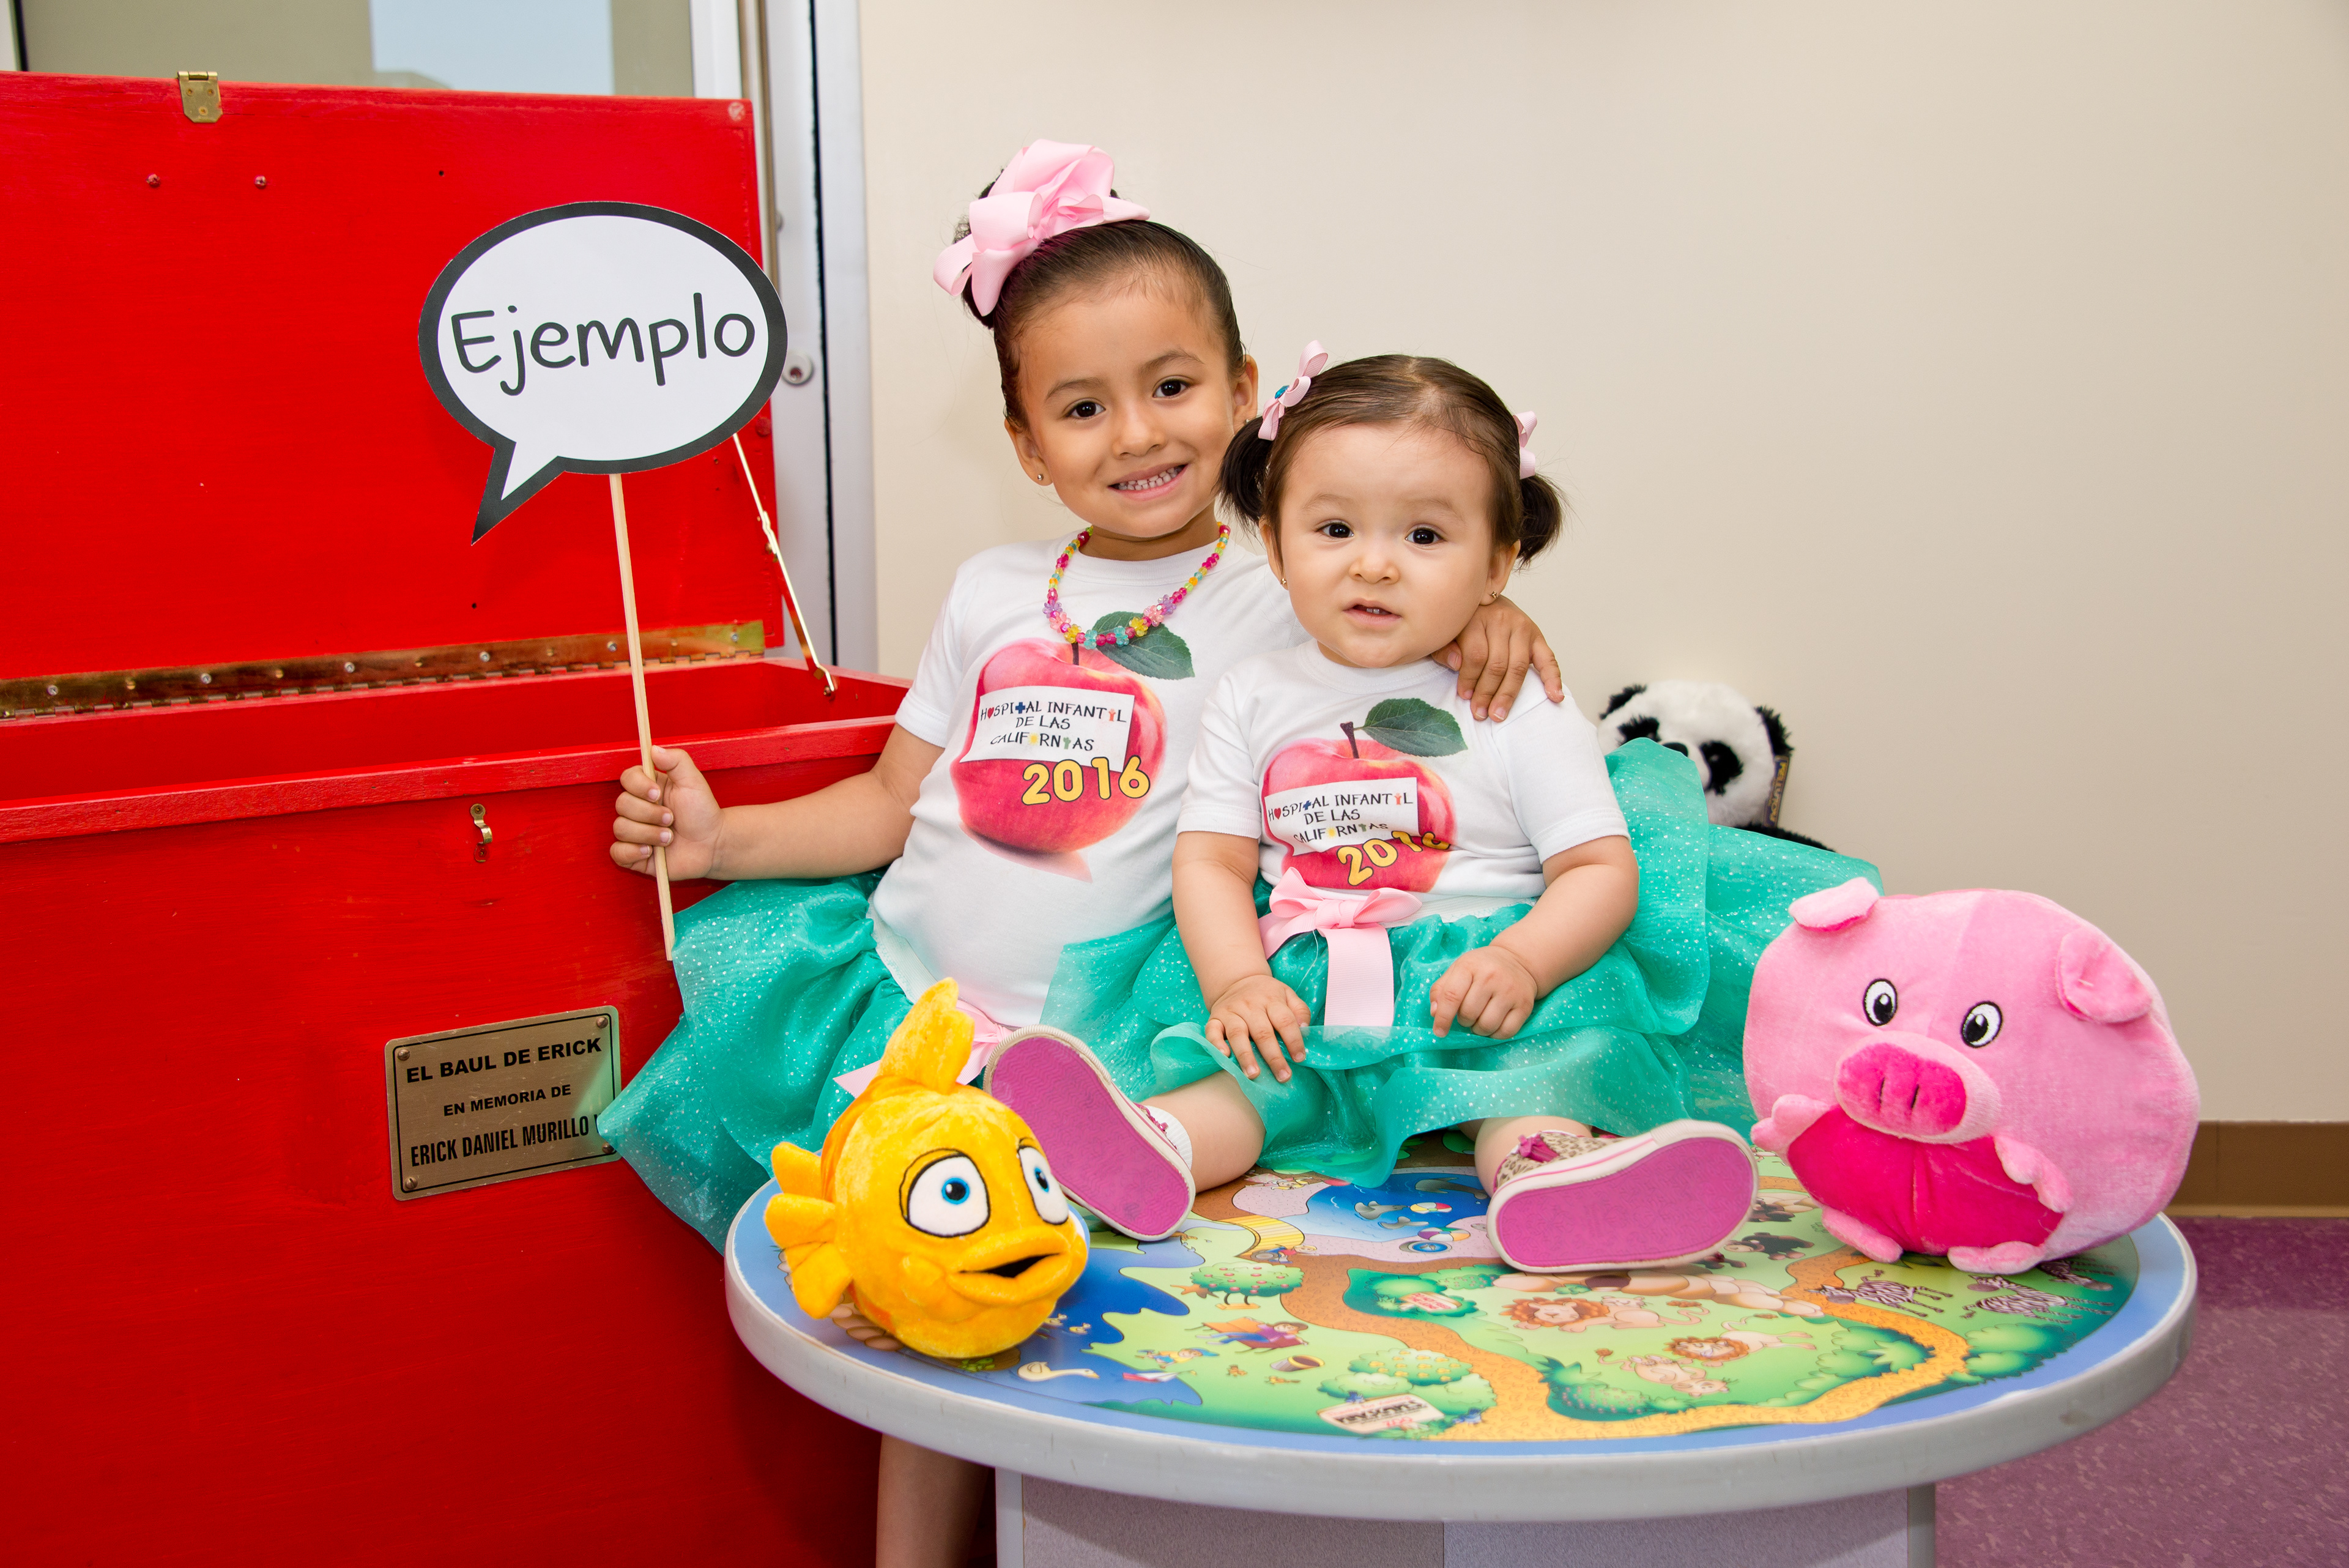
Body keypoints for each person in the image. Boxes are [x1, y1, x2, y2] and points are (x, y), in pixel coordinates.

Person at [598, 143, 1562, 1568]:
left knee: (1114, 1337)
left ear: (1244, 393)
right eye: (1081, 405)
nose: (1135, 433)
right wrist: (722, 834)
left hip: (1109, 1035)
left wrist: (1489, 620)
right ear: (1024, 440)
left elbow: (1401, 607)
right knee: (921, 1323)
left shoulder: (1285, 592)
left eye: (1172, 387)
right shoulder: (993, 592)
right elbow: (887, 802)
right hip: (913, 1012)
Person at [985, 352, 1847, 1271]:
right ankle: (1153, 1149)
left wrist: (1522, 959)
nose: (1374, 563)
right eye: (1334, 528)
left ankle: (1553, 1179)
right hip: (1306, 980)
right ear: (1274, 545)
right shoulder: (1254, 692)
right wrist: (1239, 980)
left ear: (1499, 563)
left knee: (1540, 1074)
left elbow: (1599, 870)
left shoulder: (1517, 696)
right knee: (1246, 1076)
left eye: (1426, 537)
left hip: (1484, 984)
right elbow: (1212, 862)